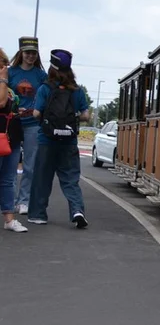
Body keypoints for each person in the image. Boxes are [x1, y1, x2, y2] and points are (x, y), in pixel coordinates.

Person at [27, 49, 90, 229]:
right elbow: (85, 115)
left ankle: (38, 214)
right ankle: (77, 210)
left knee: (42, 178)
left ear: (52, 67)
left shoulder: (45, 88)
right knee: (71, 179)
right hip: (69, 141)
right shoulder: (76, 91)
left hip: (47, 140)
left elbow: (37, 113)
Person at [6, 36, 47, 214]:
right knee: (10, 164)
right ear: (21, 53)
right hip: (13, 123)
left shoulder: (41, 75)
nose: (30, 56)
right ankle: (9, 200)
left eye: (33, 53)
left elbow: (47, 95)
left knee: (30, 165)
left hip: (33, 124)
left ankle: (23, 201)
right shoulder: (10, 72)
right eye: (27, 53)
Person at [0, 47, 28, 232]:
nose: (5, 67)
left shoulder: (7, 87)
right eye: (2, 64)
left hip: (11, 137)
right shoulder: (3, 83)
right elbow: (1, 102)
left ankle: (9, 219)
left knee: (9, 179)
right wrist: (2, 79)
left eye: (5, 63)